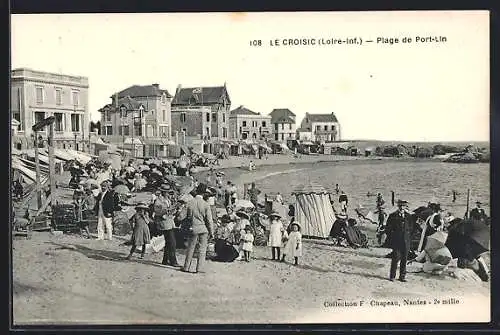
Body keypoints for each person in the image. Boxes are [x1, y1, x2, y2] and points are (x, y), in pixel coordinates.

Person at [182, 183, 214, 274]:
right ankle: (199, 268)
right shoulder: (206, 204)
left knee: (190, 248)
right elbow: (209, 220)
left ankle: (186, 267)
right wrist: (212, 232)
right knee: (202, 249)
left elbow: (181, 216)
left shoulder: (189, 203)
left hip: (193, 227)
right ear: (204, 193)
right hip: (203, 228)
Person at [385, 199, 412, 282]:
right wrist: (393, 238)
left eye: (403, 206)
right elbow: (388, 229)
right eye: (400, 206)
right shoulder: (392, 216)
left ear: (405, 207)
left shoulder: (409, 216)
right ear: (398, 206)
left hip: (406, 241)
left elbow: (411, 228)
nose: (401, 207)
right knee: (395, 258)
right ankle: (392, 276)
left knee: (404, 259)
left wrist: (408, 236)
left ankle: (402, 276)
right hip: (397, 241)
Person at [153, 184, 180, 267]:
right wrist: (168, 210)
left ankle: (165, 260)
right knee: (172, 242)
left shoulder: (167, 199)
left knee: (168, 242)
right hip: (164, 223)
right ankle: (173, 261)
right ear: (163, 192)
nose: (169, 194)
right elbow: (158, 211)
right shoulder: (158, 201)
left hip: (169, 222)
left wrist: (174, 209)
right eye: (167, 192)